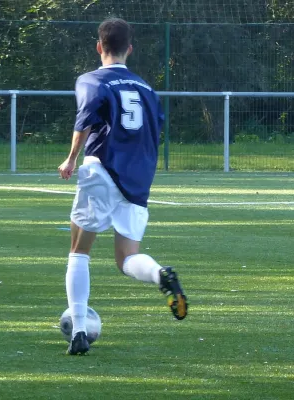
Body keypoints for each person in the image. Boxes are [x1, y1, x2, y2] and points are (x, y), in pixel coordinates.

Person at [58, 18, 187, 355]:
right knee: (127, 258)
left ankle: (80, 332)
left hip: (102, 169)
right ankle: (161, 275)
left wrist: (71, 158)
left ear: (99, 47)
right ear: (130, 48)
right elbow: (154, 131)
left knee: (79, 251)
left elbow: (84, 119)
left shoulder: (92, 79)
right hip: (138, 179)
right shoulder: (147, 89)